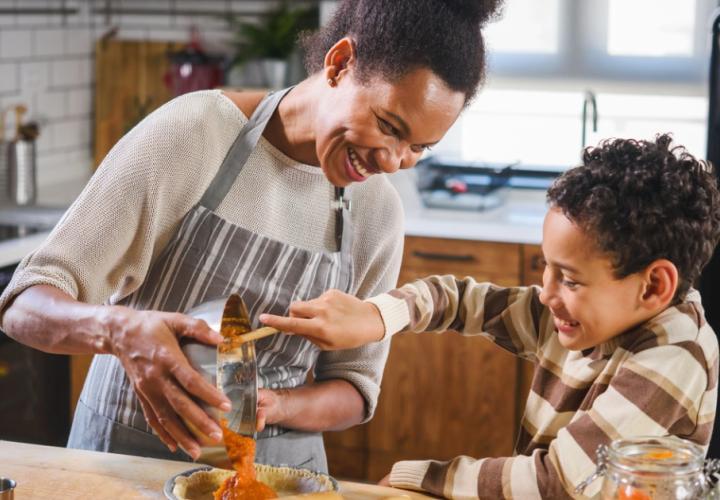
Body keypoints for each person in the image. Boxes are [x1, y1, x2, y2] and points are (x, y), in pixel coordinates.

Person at [0, 0, 503, 471]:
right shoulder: (197, 133)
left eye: (420, 147)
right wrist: (120, 331)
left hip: (279, 473)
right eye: (389, 126)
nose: (393, 161)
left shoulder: (377, 213)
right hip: (128, 460)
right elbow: (23, 305)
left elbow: (354, 388)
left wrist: (277, 406)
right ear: (340, 62)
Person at [259, 134, 720, 497]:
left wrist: (422, 476)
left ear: (654, 285)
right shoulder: (588, 315)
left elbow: (558, 483)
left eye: (571, 279)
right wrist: (377, 317)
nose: (546, 292)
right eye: (547, 268)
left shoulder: (675, 354)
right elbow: (458, 299)